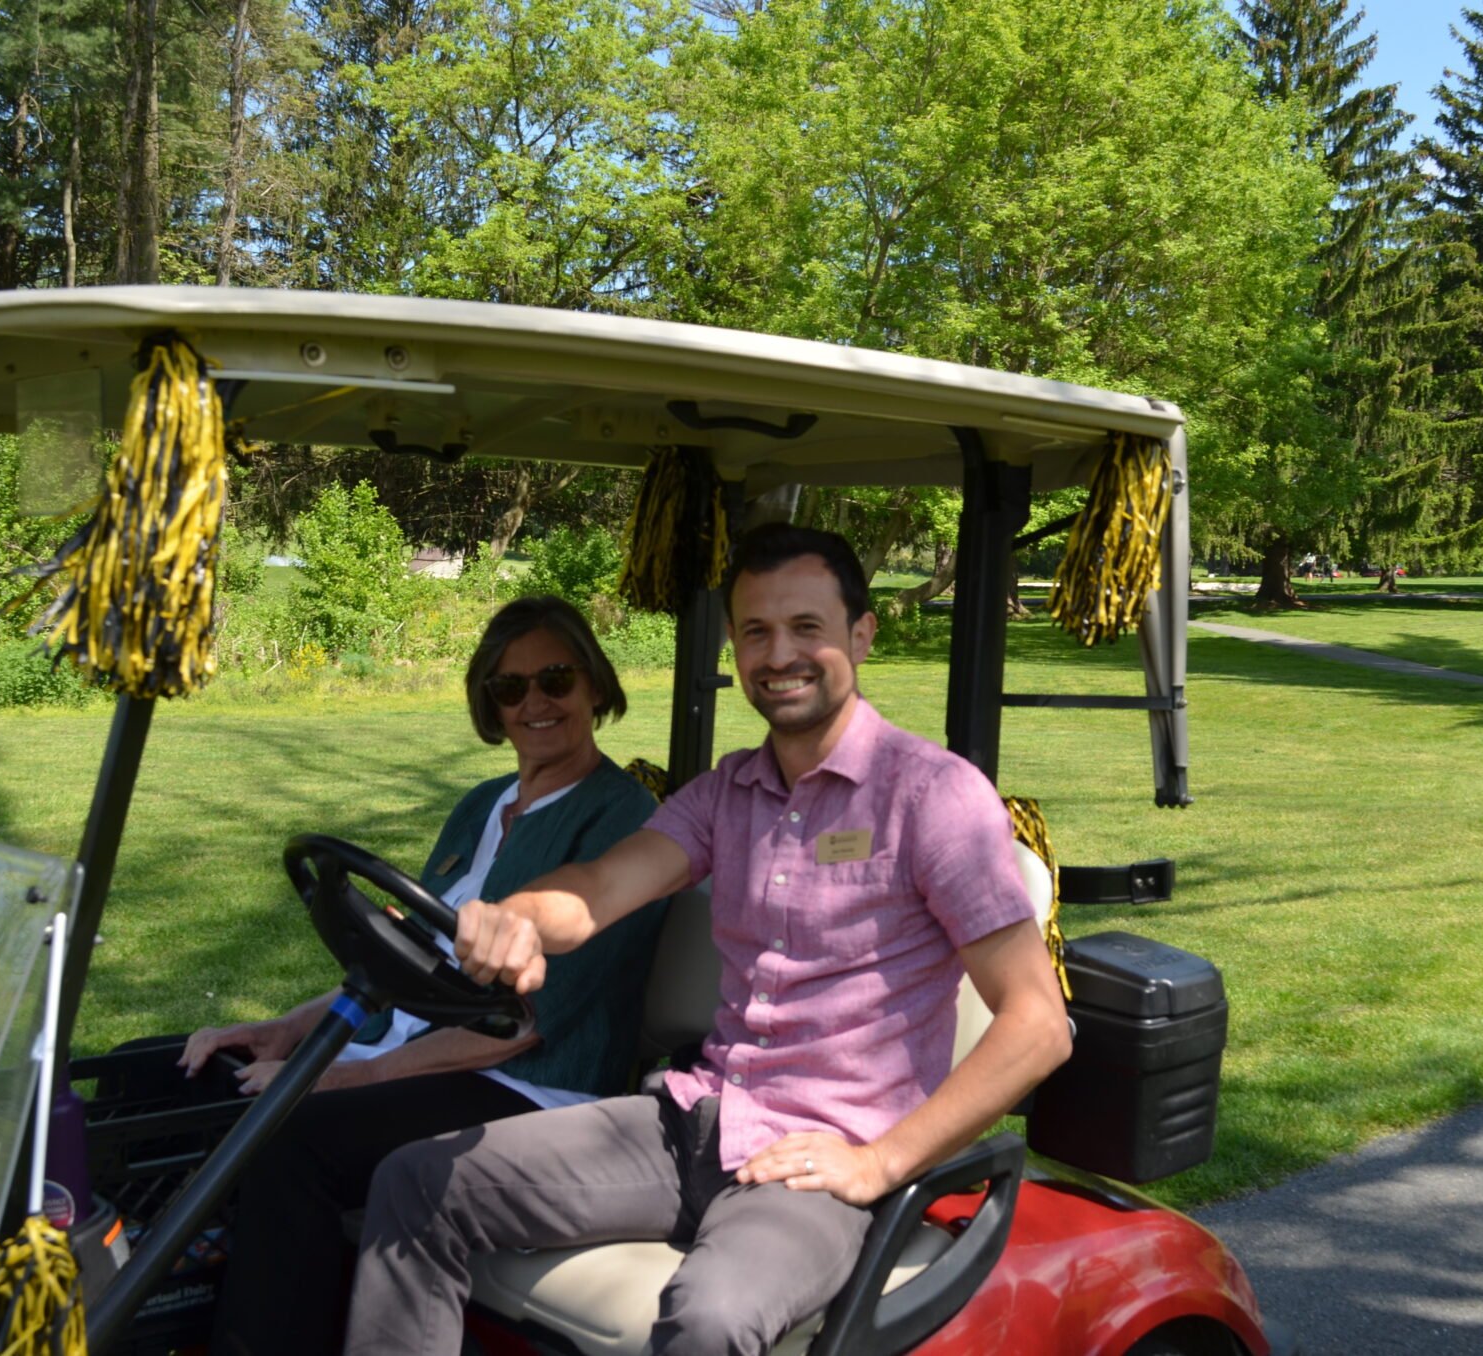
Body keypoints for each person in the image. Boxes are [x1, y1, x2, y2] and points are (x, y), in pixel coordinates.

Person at [345, 525, 1072, 1356]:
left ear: (861, 634)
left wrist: (878, 1166)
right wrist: (519, 915)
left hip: (817, 1164)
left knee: (712, 1316)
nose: (779, 653)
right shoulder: (730, 790)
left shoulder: (932, 798)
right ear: (734, 645)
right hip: (692, 1122)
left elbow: (1037, 1025)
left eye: (807, 627)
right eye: (757, 631)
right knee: (418, 1181)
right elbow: (603, 888)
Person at [182, 595, 669, 1356]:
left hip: (527, 1083)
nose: (535, 702)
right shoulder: (484, 804)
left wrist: (345, 1079)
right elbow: (400, 955)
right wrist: (281, 1031)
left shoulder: (620, 817)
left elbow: (521, 1025)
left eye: (556, 679)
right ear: (490, 704)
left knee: (293, 1138)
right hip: (407, 1052)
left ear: (596, 687)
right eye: (511, 688)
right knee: (167, 1075)